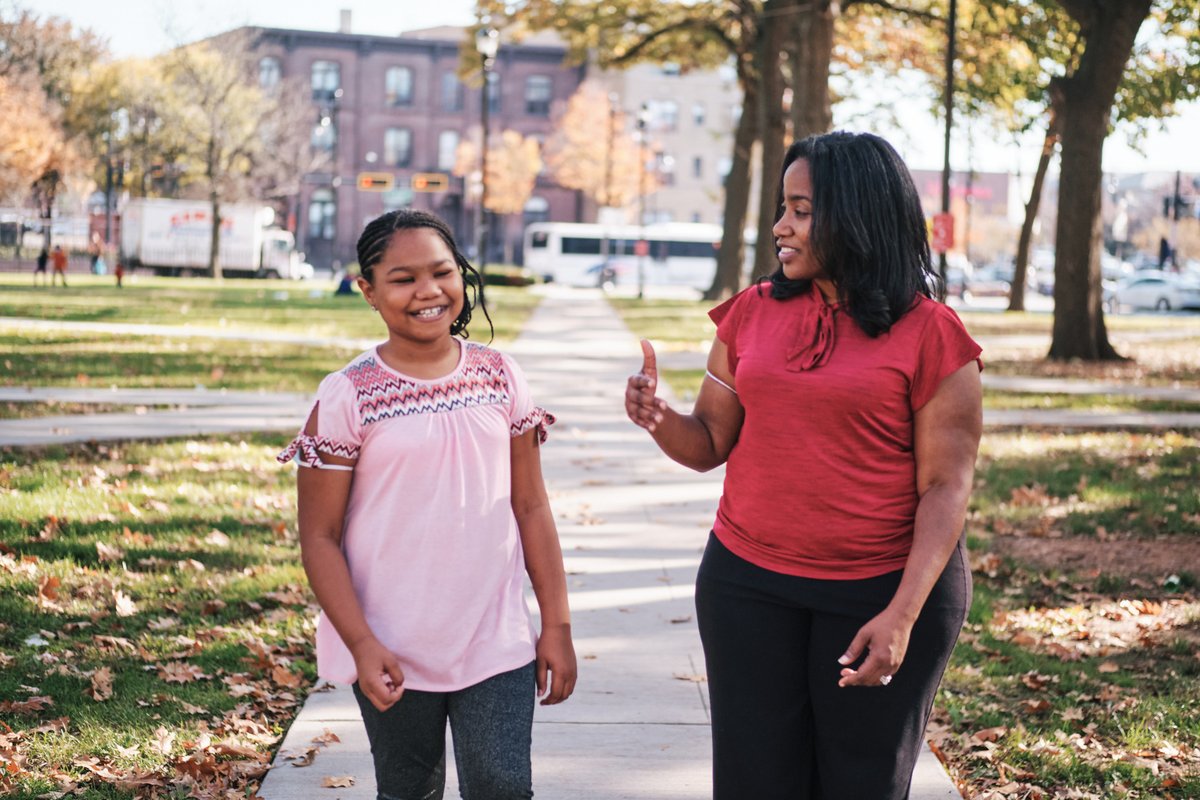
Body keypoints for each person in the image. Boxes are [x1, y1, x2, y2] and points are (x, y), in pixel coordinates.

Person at [625, 131, 983, 799]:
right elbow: (707, 443)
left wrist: (902, 616)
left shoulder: (933, 335)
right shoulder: (751, 313)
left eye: (800, 210)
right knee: (754, 783)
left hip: (877, 592)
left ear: (858, 213)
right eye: (781, 208)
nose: (779, 228)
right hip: (747, 587)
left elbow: (946, 486)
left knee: (859, 785)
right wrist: (659, 419)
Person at [278, 209, 576, 800]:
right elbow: (320, 537)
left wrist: (557, 624)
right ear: (368, 290)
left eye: (442, 272)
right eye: (403, 278)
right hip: (391, 644)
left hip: (495, 638)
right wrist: (362, 643)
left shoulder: (500, 376)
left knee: (502, 786)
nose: (428, 291)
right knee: (409, 788)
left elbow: (531, 507)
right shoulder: (347, 396)